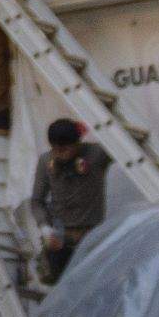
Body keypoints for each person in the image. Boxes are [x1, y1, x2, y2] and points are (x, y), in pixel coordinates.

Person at [27, 117, 113, 284]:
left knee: (91, 285)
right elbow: (37, 201)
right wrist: (44, 228)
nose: (60, 154)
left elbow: (122, 147)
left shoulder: (96, 154)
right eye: (55, 149)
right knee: (56, 285)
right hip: (59, 236)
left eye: (65, 149)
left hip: (91, 235)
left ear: (78, 143)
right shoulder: (46, 161)